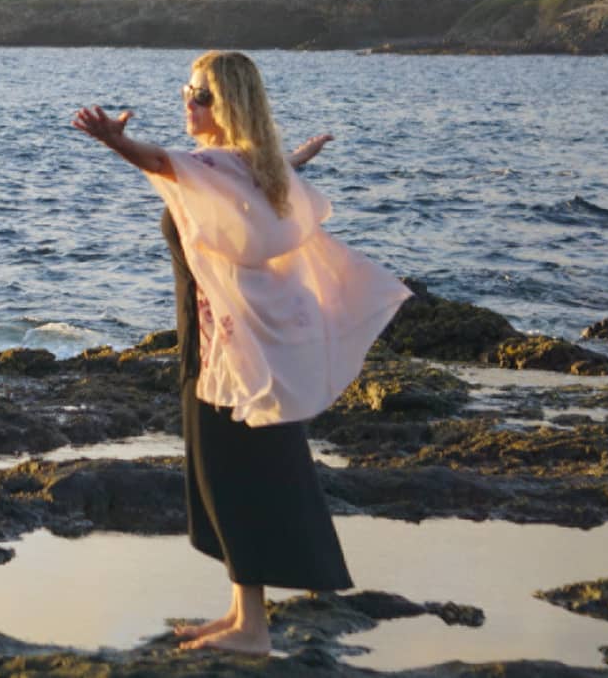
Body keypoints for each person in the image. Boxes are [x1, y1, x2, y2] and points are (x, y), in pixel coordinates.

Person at [71, 50, 410, 655]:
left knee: (233, 477)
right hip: (228, 341)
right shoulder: (254, 165)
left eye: (200, 95)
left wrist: (112, 141)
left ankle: (251, 630)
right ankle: (240, 613)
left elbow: (159, 160)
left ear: (227, 106)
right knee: (233, 474)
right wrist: (300, 155)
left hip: (226, 349)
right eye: (186, 90)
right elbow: (263, 166)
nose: (187, 102)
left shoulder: (217, 164)